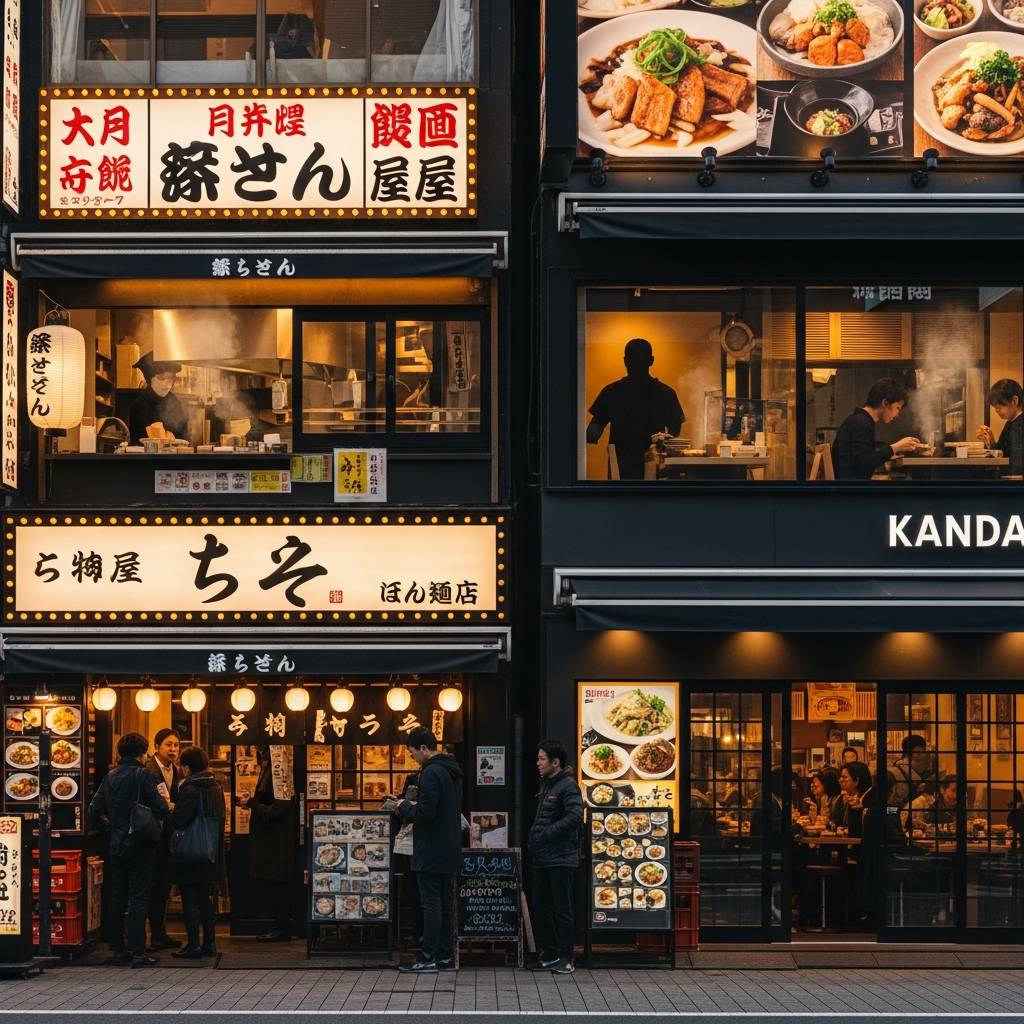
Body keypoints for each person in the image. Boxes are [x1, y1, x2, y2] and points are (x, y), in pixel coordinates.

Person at [384, 727, 463, 975]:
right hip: (449, 847)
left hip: (431, 848)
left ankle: (428, 957)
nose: (412, 757)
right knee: (444, 902)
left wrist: (401, 805)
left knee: (431, 903)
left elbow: (425, 813)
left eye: (412, 752)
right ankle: (445, 956)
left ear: (424, 749)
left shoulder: (430, 773)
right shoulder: (451, 772)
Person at [87, 732, 169, 967]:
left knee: (117, 896)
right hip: (141, 844)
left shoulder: (111, 776)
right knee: (140, 896)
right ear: (143, 752)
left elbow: (94, 808)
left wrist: (111, 826)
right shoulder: (142, 774)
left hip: (117, 844)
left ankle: (118, 949)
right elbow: (158, 807)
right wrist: (161, 813)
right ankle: (138, 951)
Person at [586, 338, 685, 480]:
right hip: (656, 472)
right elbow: (675, 435)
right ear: (651, 361)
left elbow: (592, 434)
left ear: (625, 361)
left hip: (621, 473)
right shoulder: (665, 393)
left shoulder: (611, 392)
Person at [527, 739, 583, 976]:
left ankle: (567, 957)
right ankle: (549, 954)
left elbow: (575, 816)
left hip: (561, 857)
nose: (538, 763)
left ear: (555, 762)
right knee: (540, 907)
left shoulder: (568, 786)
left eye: (541, 759)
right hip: (544, 857)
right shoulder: (549, 785)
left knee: (562, 908)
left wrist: (546, 834)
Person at [169, 747, 225, 960]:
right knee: (205, 898)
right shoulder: (216, 786)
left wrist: (171, 809)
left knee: (190, 897)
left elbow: (180, 820)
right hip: (210, 851)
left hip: (191, 852)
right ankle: (210, 943)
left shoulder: (190, 788)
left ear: (187, 767)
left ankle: (193, 945)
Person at [238, 746, 295, 942]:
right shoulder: (271, 769)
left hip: (276, 840)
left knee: (278, 883)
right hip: (271, 840)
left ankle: (282, 928)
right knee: (274, 883)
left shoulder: (280, 772)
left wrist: (252, 803)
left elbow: (275, 810)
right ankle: (280, 926)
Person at [833, 377, 923, 481]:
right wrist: (895, 447)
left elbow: (863, 455)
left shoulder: (859, 420)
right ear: (885, 403)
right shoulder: (860, 423)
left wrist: (888, 451)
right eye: (898, 408)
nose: (898, 414)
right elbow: (863, 463)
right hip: (851, 491)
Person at [145, 728, 181, 951]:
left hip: (167, 836)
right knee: (153, 886)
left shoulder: (175, 771)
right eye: (168, 744)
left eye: (176, 745)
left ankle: (160, 933)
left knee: (163, 885)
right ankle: (153, 934)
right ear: (156, 747)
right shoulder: (148, 771)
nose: (173, 749)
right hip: (151, 836)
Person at [128, 351, 188, 444]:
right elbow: (136, 443)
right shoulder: (139, 406)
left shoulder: (177, 404)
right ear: (149, 379)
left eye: (170, 379)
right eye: (161, 378)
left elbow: (185, 439)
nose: (166, 384)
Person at [978, 378, 1024, 478]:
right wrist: (991, 441)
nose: (996, 411)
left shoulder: (1020, 424)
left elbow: (1016, 464)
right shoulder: (1010, 422)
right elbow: (1003, 453)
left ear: (1014, 401)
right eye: (995, 408)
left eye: (999, 407)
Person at [891, 734, 929, 806]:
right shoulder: (905, 767)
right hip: (895, 809)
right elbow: (922, 787)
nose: (923, 756)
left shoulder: (898, 763)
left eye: (924, 751)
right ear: (908, 753)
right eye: (918, 753)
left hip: (896, 808)